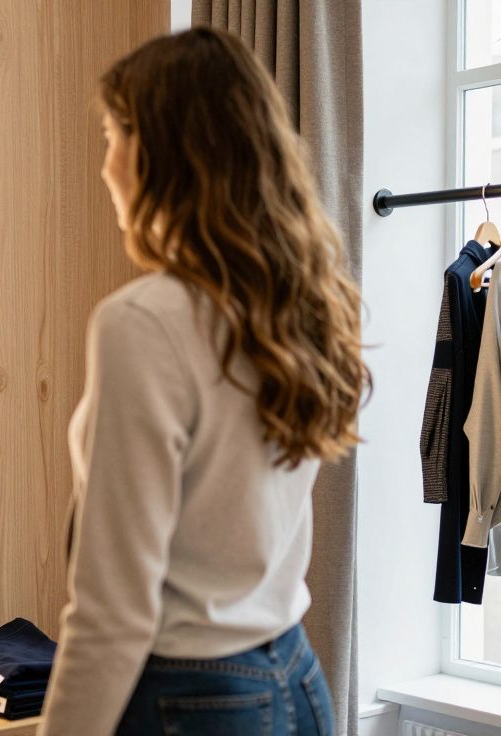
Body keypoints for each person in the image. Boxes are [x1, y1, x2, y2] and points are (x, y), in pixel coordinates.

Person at [39, 28, 367, 735]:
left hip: (189, 700)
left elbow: (114, 607)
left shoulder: (142, 322)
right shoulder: (298, 304)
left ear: (156, 151)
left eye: (110, 138)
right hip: (295, 679)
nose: (104, 168)